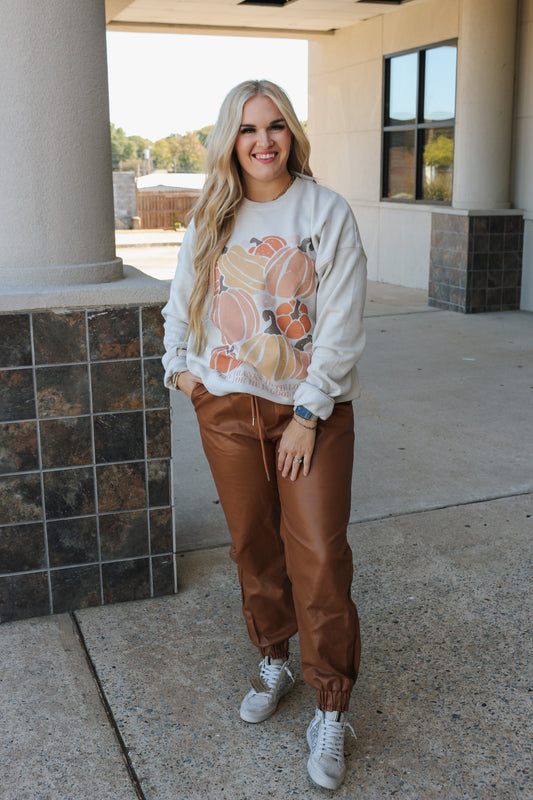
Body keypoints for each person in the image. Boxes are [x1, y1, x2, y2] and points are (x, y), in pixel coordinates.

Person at [162, 79, 367, 791]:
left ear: (291, 134)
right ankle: (274, 661)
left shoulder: (325, 210)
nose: (263, 141)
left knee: (317, 556)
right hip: (226, 410)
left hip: (308, 416)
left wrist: (309, 416)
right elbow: (180, 303)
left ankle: (330, 708)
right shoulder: (211, 215)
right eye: (248, 129)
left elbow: (340, 324)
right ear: (231, 140)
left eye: (275, 126)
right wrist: (180, 375)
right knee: (253, 547)